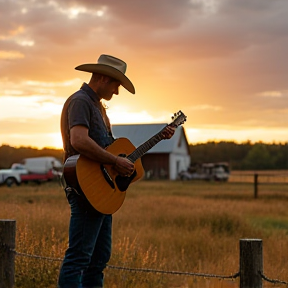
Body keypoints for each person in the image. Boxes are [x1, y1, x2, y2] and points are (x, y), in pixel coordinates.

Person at [58, 54, 175, 288]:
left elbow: (108, 151)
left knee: (98, 260)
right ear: (102, 78)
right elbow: (79, 141)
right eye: (116, 85)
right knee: (79, 258)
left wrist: (121, 162)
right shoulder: (81, 101)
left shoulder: (99, 108)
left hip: (103, 192)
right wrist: (115, 160)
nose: (117, 92)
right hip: (86, 189)